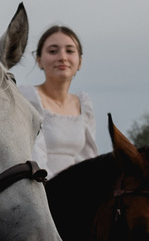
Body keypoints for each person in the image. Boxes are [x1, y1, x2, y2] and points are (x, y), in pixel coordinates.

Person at [31, 25, 101, 176]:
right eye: (53, 51)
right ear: (39, 60)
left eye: (69, 51)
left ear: (80, 61)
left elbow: (88, 159)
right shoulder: (28, 99)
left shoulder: (83, 104)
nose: (62, 57)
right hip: (40, 190)